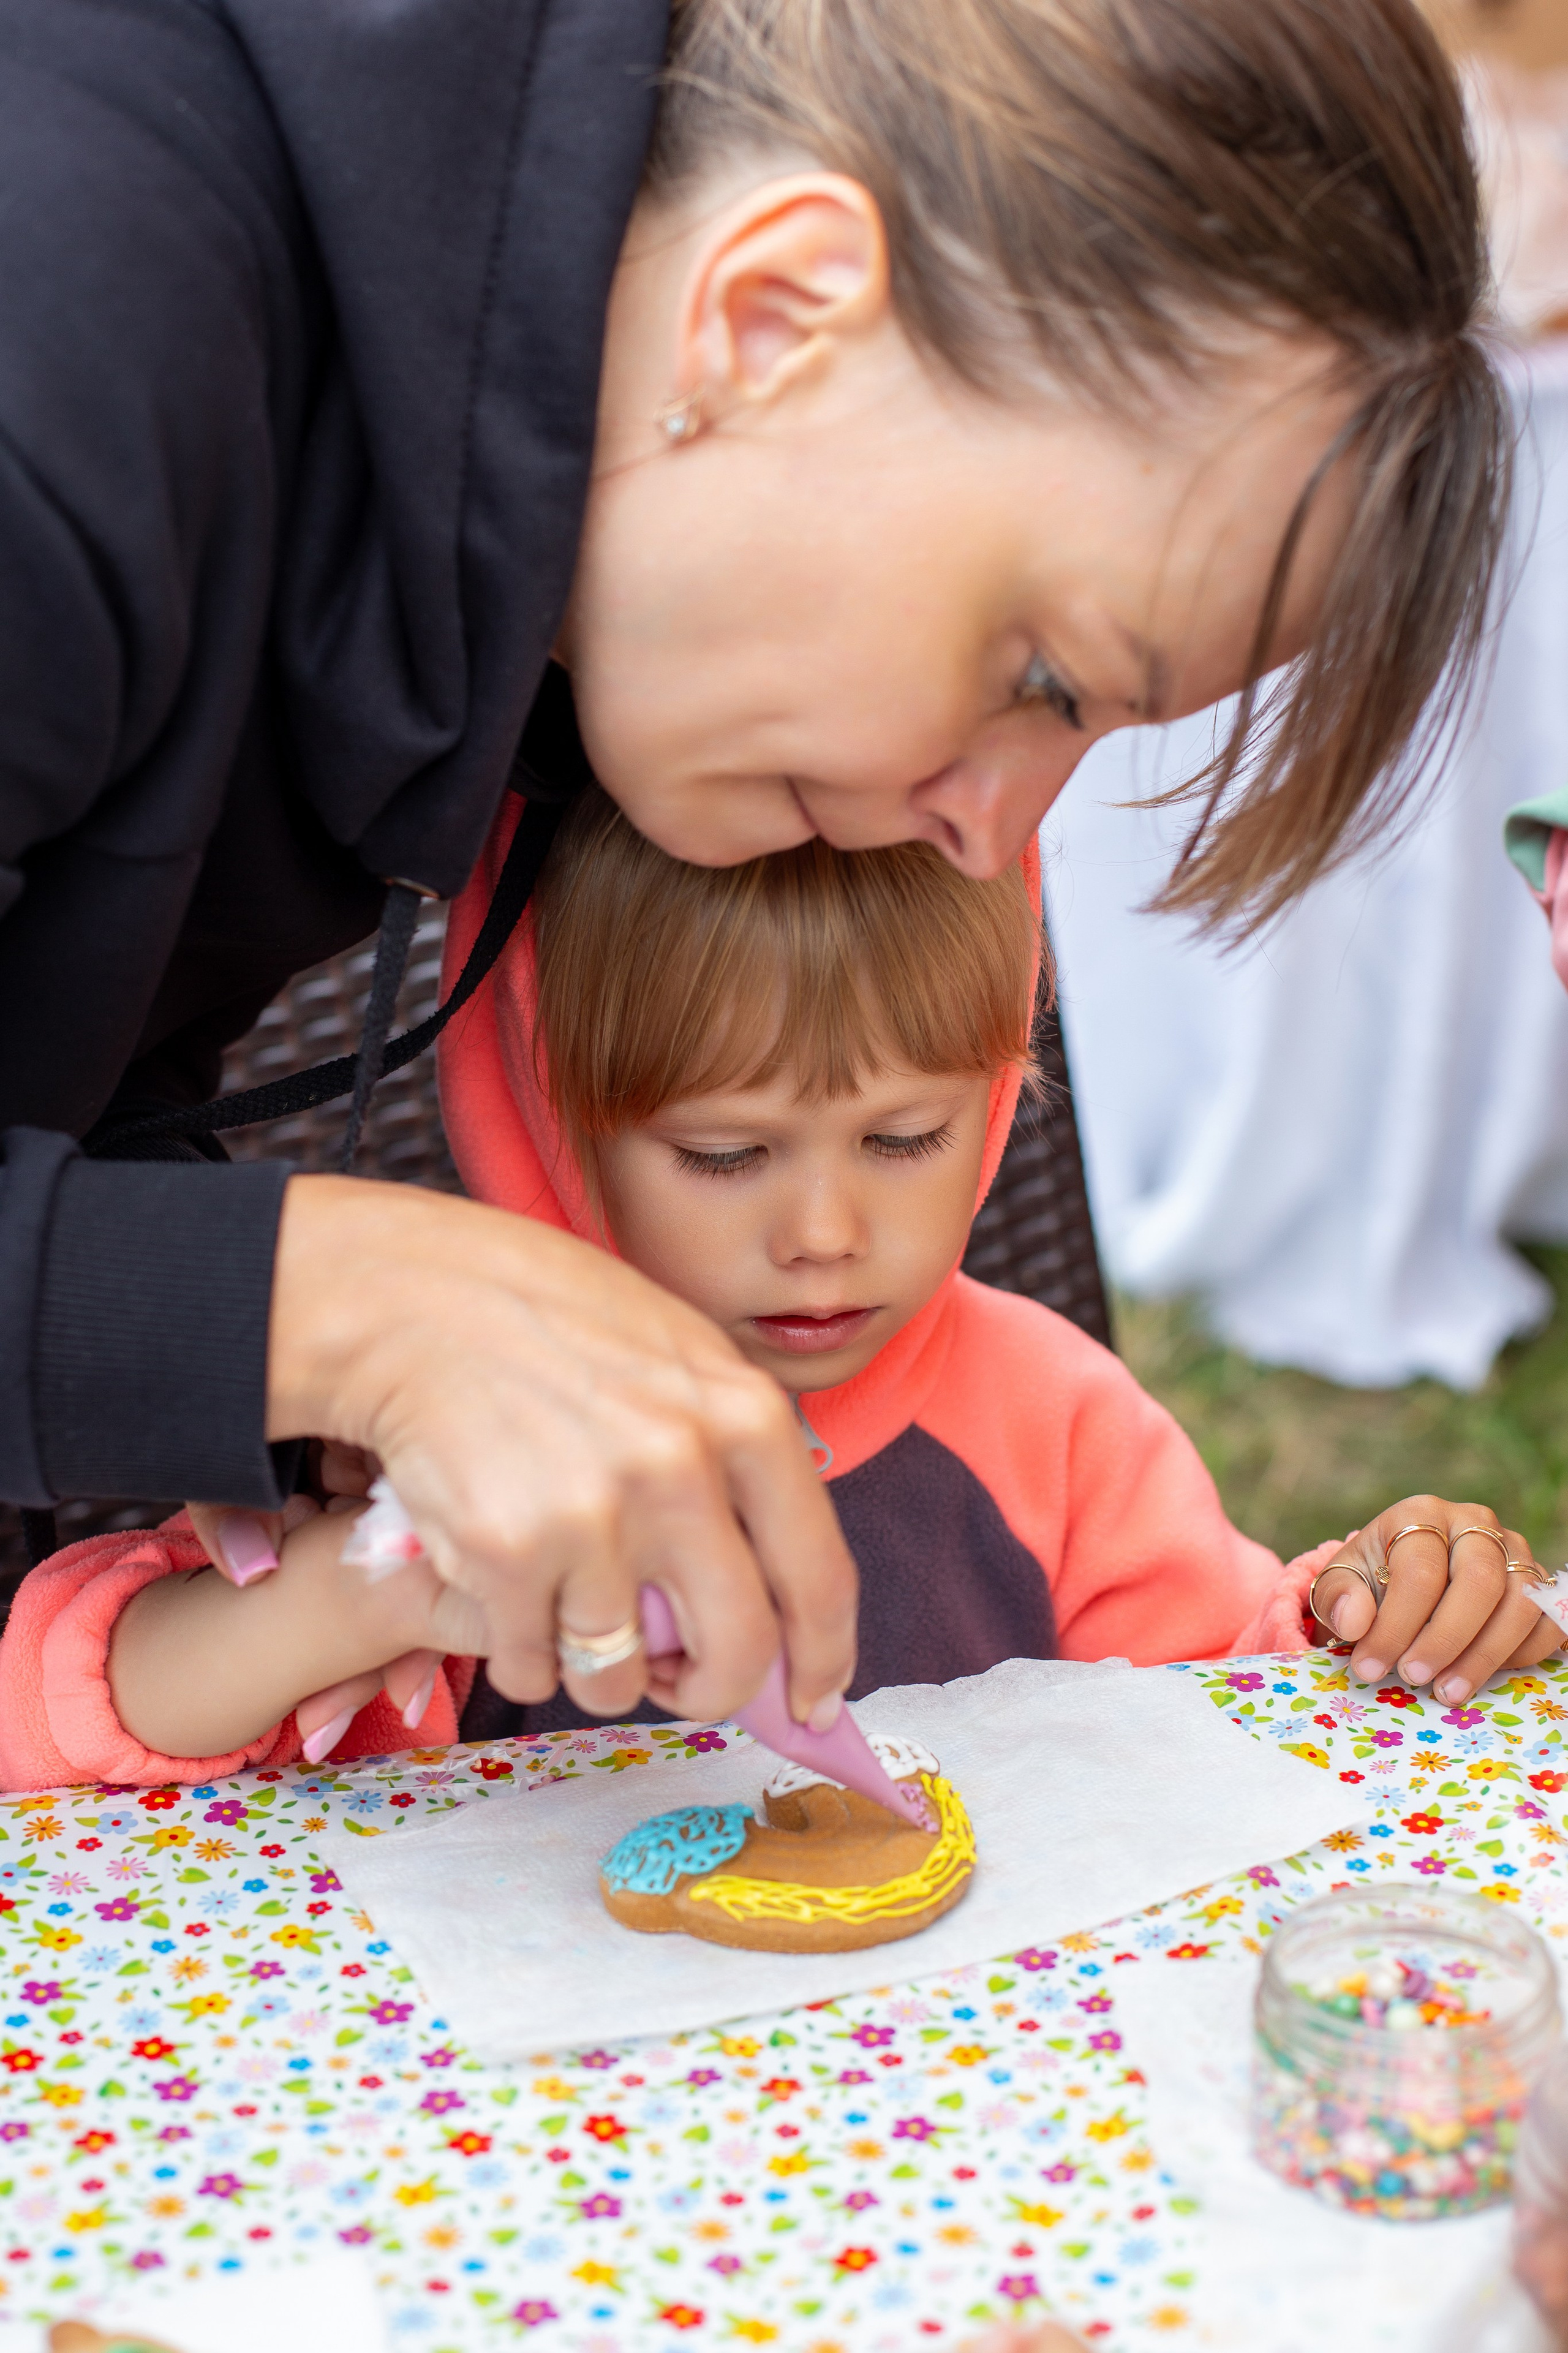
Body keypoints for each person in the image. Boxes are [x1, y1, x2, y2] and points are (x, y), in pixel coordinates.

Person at [0, 0, 1513, 1735]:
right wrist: (340, 1298)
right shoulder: (53, 361)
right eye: (1040, 677)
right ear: (774, 316)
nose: (992, 839)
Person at [4, 798, 1556, 1785]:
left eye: (901, 1135)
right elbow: (59, 1730)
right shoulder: (480, 1427)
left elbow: (1228, 1710)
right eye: (727, 1151)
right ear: (563, 1121)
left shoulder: (1056, 1420)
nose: (823, 1230)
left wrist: (1380, 1606)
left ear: (1003, 1098)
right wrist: (397, 1577)